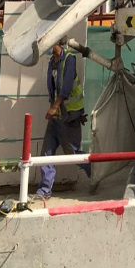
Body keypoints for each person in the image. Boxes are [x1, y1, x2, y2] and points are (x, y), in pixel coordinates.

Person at [34, 41, 91, 200]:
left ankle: (94, 171)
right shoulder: (52, 63)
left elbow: (66, 88)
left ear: (56, 43)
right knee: (46, 153)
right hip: (56, 117)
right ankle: (44, 190)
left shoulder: (69, 60)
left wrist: (55, 107)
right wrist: (54, 108)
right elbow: (54, 88)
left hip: (68, 117)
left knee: (72, 154)